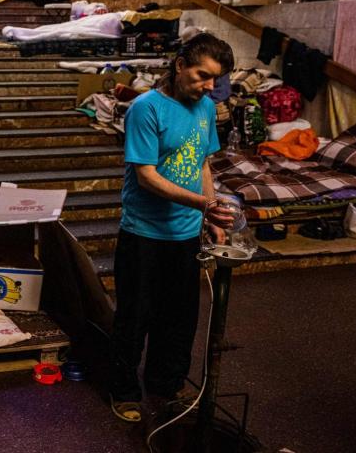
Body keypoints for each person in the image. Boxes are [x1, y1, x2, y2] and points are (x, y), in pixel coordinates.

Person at [106, 30, 237, 424]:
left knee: (179, 317)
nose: (208, 86)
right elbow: (145, 176)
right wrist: (204, 204)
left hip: (185, 235)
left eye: (215, 79)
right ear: (180, 65)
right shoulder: (146, 109)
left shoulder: (204, 109)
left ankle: (166, 381)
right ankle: (125, 390)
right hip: (144, 234)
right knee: (135, 317)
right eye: (201, 75)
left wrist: (209, 216)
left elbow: (202, 163)